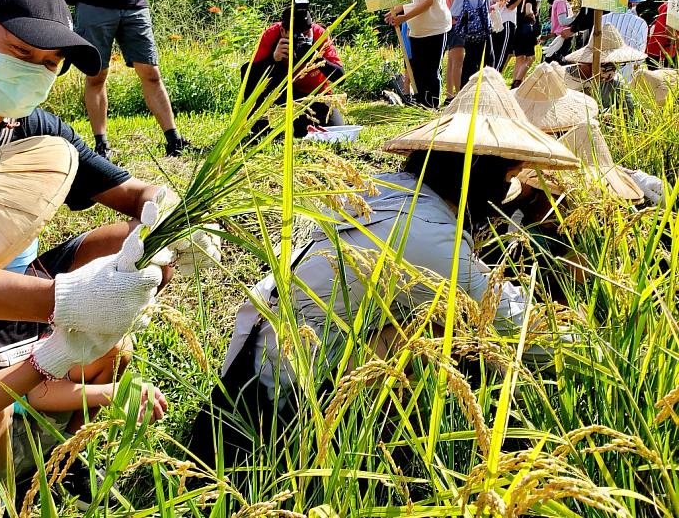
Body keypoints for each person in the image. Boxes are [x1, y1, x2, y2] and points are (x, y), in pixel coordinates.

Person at [0, 0, 212, 511]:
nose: (33, 73)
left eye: (49, 65)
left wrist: (168, 216)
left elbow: (133, 192)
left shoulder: (39, 128)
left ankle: (62, 449)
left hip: (14, 291)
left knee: (127, 246)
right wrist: (57, 301)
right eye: (19, 52)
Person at [189, 68, 581, 466]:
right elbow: (515, 330)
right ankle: (346, 451)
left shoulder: (384, 189)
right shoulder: (428, 237)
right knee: (440, 331)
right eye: (509, 177)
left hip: (249, 367)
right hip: (277, 407)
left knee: (425, 318)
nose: (508, 192)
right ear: (479, 174)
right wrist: (590, 342)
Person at [48, 0, 191, 158]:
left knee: (151, 73)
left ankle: (174, 140)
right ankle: (102, 146)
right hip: (93, 1)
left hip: (134, 1)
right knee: (96, 75)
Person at [242, 0, 345, 138]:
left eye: (307, 34)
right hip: (283, 90)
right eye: (297, 35)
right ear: (284, 31)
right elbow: (250, 75)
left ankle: (299, 124)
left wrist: (317, 59)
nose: (303, 38)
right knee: (248, 69)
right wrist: (273, 59)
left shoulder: (319, 34)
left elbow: (340, 77)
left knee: (333, 132)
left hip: (315, 94)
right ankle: (259, 127)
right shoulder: (272, 35)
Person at [384, 0, 452, 108]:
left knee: (431, 71)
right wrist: (394, 11)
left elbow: (428, 1)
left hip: (434, 27)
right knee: (418, 70)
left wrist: (404, 18)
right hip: (416, 29)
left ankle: (432, 107)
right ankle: (422, 105)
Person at [564, 24, 646, 114]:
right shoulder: (562, 80)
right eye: (607, 66)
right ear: (586, 62)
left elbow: (633, 108)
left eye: (617, 65)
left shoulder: (615, 82)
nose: (612, 72)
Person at [444, 0, 476, 102]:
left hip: (455, 22)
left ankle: (450, 95)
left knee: (452, 60)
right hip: (458, 23)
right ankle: (459, 97)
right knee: (458, 61)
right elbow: (456, 1)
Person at [511, 0, 546, 88]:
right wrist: (533, 16)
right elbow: (528, 10)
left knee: (520, 58)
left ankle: (516, 84)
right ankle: (518, 82)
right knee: (530, 58)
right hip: (527, 31)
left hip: (517, 30)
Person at [545, 0, 582, 65]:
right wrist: (577, 16)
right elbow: (563, 21)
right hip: (563, 37)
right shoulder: (561, 1)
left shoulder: (558, 1)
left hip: (560, 36)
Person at [646, 2, 677, 68]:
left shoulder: (669, 4)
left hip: (653, 46)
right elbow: (670, 32)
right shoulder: (674, 7)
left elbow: (660, 8)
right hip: (663, 51)